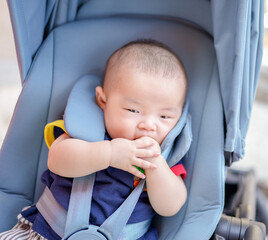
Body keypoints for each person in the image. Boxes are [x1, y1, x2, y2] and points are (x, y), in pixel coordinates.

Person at [0, 39, 189, 240]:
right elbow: (56, 160)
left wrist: (156, 168)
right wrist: (108, 153)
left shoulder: (165, 156)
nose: (149, 125)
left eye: (164, 117)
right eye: (133, 110)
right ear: (102, 100)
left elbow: (171, 206)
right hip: (48, 231)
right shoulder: (86, 130)